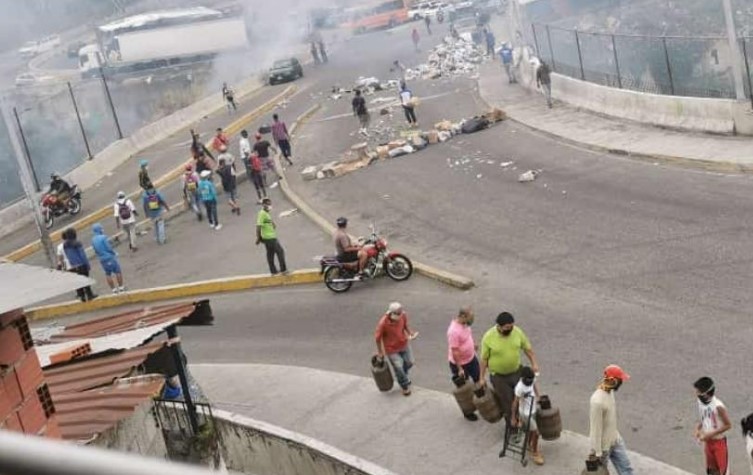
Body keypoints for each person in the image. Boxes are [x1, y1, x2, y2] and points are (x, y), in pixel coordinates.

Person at [479, 312, 539, 426]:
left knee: (522, 399)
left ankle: (522, 422)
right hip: (499, 377)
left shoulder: (517, 332)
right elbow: (484, 360)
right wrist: (481, 378)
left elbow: (527, 349)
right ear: (499, 326)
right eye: (507, 328)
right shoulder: (488, 337)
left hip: (516, 372)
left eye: (511, 326)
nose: (510, 329)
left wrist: (534, 363)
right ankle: (512, 426)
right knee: (507, 403)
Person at [589, 364, 634, 475]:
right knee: (601, 473)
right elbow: (595, 429)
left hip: (615, 439)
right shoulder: (597, 402)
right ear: (613, 380)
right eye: (620, 380)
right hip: (603, 448)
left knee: (626, 470)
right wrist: (596, 453)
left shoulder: (610, 391)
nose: (622, 383)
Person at [375, 302, 418, 396]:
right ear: (390, 313)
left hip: (403, 344)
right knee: (399, 367)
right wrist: (380, 352)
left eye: (400, 313)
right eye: (397, 314)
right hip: (392, 349)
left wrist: (410, 333)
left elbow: (406, 325)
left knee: (409, 362)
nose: (399, 316)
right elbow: (377, 338)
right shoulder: (383, 323)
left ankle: (403, 376)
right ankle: (404, 386)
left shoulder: (403, 315)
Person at [694, 376, 732, 475]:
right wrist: (698, 429)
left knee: (722, 471)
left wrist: (710, 434)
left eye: (698, 392)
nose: (696, 394)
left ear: (706, 394)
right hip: (708, 442)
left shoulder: (718, 406)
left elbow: (728, 425)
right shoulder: (700, 403)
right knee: (711, 471)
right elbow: (703, 418)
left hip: (719, 443)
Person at [447, 306, 480, 421]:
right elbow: (455, 351)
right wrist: (460, 368)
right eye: (470, 317)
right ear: (462, 316)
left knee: (478, 380)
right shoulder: (453, 331)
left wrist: (473, 345)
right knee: (464, 390)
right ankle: (468, 411)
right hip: (460, 364)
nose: (471, 320)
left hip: (471, 359)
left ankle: (481, 403)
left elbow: (468, 337)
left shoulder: (465, 325)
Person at [512, 366, 544, 465]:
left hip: (533, 410)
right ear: (522, 378)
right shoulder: (519, 387)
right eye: (528, 380)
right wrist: (514, 418)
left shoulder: (532, 378)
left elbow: (534, 385)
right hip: (525, 413)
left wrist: (538, 396)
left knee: (531, 431)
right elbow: (515, 403)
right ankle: (535, 453)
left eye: (531, 379)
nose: (530, 381)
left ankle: (529, 446)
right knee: (536, 432)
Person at [61, 228, 97, 302]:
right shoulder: (77, 243)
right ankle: (89, 295)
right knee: (86, 281)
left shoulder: (65, 245)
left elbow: (68, 255)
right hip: (81, 265)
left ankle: (82, 297)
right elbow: (82, 255)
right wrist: (87, 264)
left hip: (73, 266)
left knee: (79, 283)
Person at [91, 223, 125, 294]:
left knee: (108, 274)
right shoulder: (103, 237)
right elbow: (108, 247)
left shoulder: (93, 240)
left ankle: (113, 290)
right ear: (99, 229)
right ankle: (121, 288)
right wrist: (114, 253)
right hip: (109, 257)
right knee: (117, 271)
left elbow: (95, 250)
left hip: (102, 259)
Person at [256, 197, 287, 274]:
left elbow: (269, 222)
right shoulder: (262, 213)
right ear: (263, 205)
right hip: (269, 237)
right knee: (280, 251)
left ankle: (273, 271)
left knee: (270, 254)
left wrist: (273, 224)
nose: (269, 206)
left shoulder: (266, 214)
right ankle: (283, 269)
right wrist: (258, 238)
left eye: (270, 204)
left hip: (270, 237)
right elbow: (258, 226)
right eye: (268, 204)